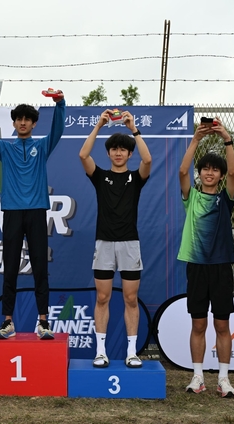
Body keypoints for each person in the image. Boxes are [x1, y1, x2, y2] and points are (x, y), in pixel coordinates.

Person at [0, 82, 65, 340]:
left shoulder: (43, 146)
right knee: (11, 267)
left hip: (36, 212)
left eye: (27, 119)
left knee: (40, 268)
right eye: (19, 119)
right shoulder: (5, 148)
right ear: (14, 123)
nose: (23, 123)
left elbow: (58, 129)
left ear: (34, 124)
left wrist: (60, 103)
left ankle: (43, 322)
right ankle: (8, 322)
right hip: (12, 212)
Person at [78, 110, 151, 368]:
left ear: (129, 154)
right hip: (104, 244)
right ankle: (101, 352)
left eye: (123, 150)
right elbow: (83, 155)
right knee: (102, 298)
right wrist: (99, 124)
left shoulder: (136, 178)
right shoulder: (100, 176)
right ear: (108, 153)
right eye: (114, 149)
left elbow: (148, 159)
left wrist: (134, 129)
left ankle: (132, 352)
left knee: (131, 299)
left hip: (130, 244)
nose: (118, 153)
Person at [177, 118, 234, 398]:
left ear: (220, 175)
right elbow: (182, 171)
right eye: (205, 169)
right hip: (197, 267)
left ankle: (223, 379)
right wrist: (195, 139)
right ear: (200, 173)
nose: (209, 172)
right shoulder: (191, 197)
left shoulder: (226, 197)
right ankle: (198, 377)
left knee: (222, 325)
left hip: (221, 267)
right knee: (198, 324)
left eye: (215, 169)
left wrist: (226, 138)